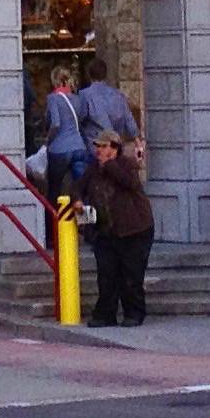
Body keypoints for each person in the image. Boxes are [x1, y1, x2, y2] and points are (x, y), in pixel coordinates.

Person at [80, 126, 156, 326]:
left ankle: (134, 313)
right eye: (97, 146)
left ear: (114, 149)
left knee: (131, 275)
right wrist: (76, 200)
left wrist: (110, 166)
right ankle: (105, 315)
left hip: (135, 230)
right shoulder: (93, 169)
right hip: (106, 231)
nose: (98, 151)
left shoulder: (127, 164)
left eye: (103, 146)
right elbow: (79, 187)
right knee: (106, 275)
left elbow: (129, 182)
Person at [72, 59, 141, 165]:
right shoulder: (118, 95)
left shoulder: (85, 95)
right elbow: (129, 119)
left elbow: (79, 119)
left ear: (89, 74)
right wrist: (138, 143)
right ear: (105, 74)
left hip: (95, 149)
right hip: (115, 148)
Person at [39, 63, 86, 201]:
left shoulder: (53, 98)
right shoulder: (77, 98)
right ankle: (83, 219)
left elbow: (55, 123)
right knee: (79, 189)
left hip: (60, 149)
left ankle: (52, 221)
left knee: (54, 189)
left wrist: (48, 139)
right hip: (79, 146)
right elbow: (82, 118)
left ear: (55, 80)